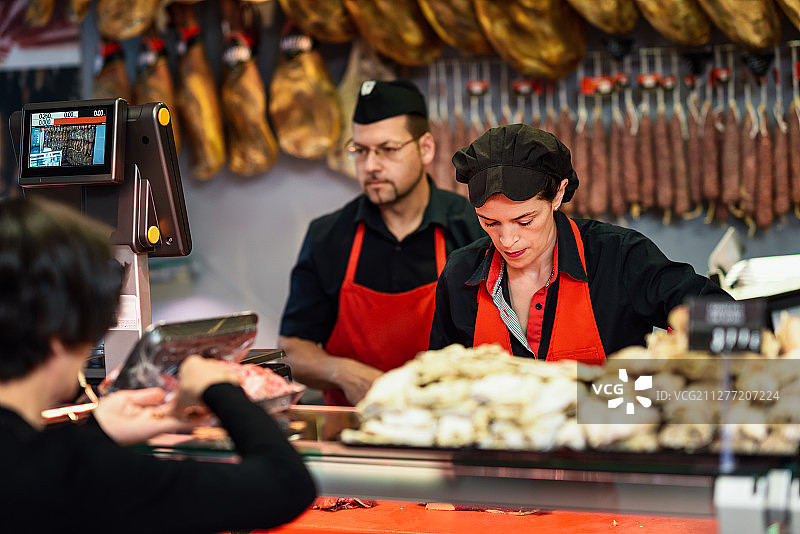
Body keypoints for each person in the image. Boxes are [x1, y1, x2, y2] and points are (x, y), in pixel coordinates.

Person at [0, 196, 316, 534]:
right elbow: (285, 484)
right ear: (59, 334)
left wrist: (98, 431)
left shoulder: (38, 462)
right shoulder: (73, 475)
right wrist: (218, 387)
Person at [429, 124, 732, 360]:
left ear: (558, 195)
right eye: (490, 223)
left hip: (607, 419)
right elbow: (439, 378)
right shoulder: (461, 274)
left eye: (525, 221)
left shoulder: (618, 256)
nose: (507, 241)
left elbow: (726, 319)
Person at [279, 80, 485, 405]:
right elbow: (293, 348)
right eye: (360, 151)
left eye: (388, 149)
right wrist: (342, 372)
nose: (371, 166)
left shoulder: (475, 229)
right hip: (354, 424)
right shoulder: (328, 235)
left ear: (425, 148)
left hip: (451, 420)